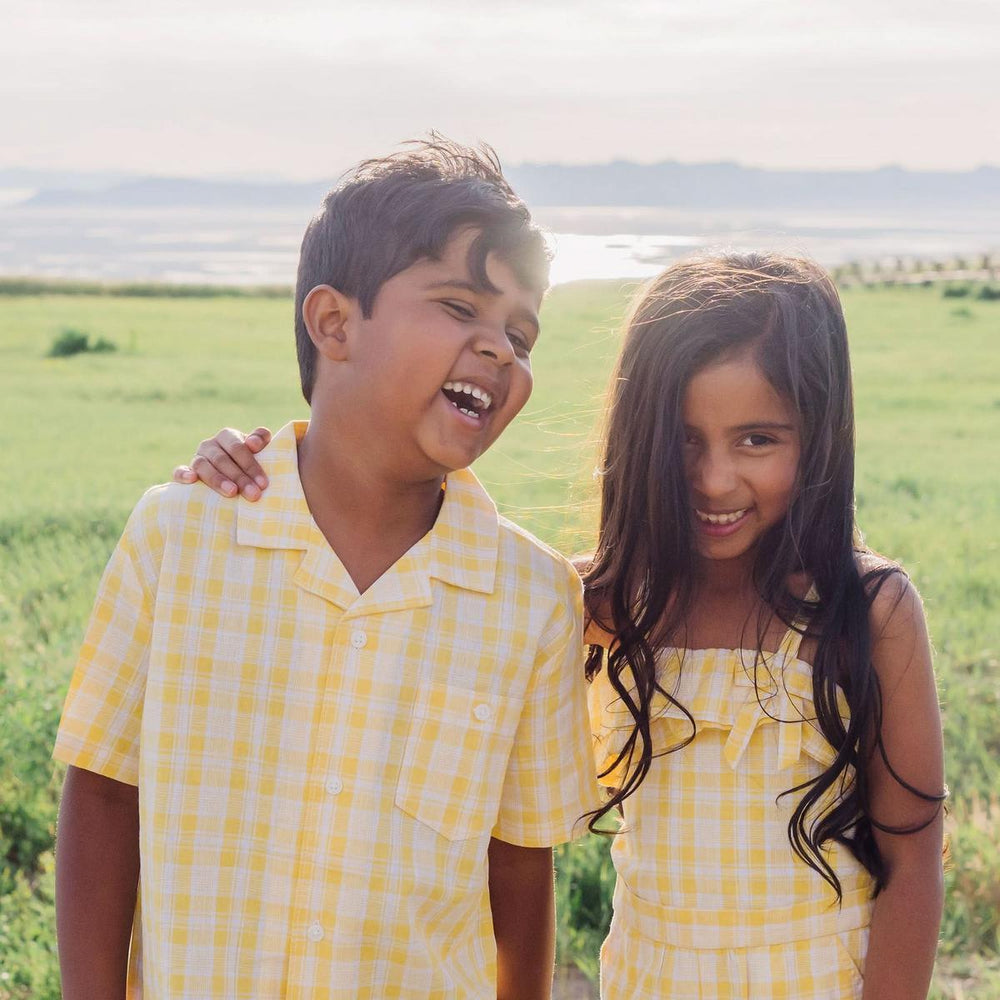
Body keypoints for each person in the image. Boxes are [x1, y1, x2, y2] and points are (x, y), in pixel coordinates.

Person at [184, 252, 947, 999]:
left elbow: (913, 862)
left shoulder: (866, 612)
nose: (715, 480)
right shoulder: (592, 603)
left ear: (818, 435)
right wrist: (272, 469)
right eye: (684, 440)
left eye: (757, 439)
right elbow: (407, 581)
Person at [53, 138, 599, 1000]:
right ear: (334, 323)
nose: (500, 349)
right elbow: (103, 794)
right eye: (460, 306)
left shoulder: (533, 599)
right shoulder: (181, 534)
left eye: (521, 335)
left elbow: (520, 869)